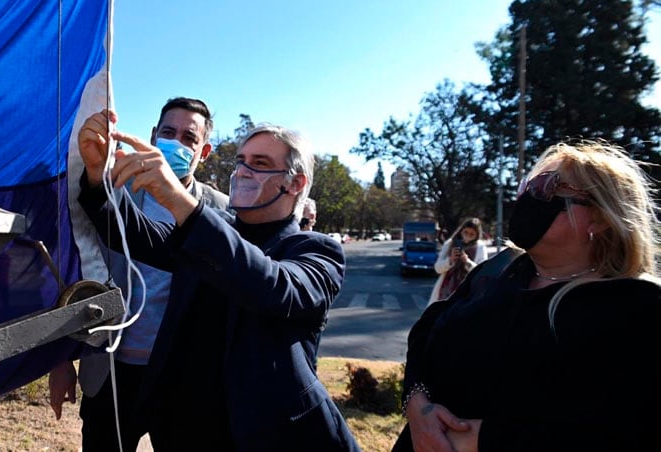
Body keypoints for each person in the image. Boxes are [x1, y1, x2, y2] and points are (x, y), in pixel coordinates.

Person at [76, 113, 360, 451]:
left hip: (260, 436)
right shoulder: (210, 230)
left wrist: (181, 202)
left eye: (260, 163)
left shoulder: (316, 250)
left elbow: (273, 286)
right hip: (184, 430)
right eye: (240, 161)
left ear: (295, 183)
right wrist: (97, 176)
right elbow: (137, 234)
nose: (242, 171)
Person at [393, 140, 661, 452]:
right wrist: (417, 403)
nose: (526, 199)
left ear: (599, 217)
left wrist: (485, 439)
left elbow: (623, 430)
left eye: (547, 188)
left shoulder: (636, 308)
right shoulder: (499, 269)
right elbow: (426, 332)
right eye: (526, 187)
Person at [48, 97, 229, 451]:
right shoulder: (109, 192)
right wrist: (60, 359)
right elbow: (73, 269)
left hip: (182, 379)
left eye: (188, 138)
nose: (175, 143)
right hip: (110, 373)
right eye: (167, 132)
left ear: (204, 151)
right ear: (152, 136)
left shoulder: (222, 212)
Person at [428, 217, 488, 304]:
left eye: (471, 234)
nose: (467, 236)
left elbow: (482, 272)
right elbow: (437, 268)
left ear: (477, 235)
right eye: (466, 232)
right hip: (446, 291)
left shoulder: (480, 247)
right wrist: (450, 260)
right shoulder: (450, 243)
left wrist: (467, 261)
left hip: (468, 292)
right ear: (461, 231)